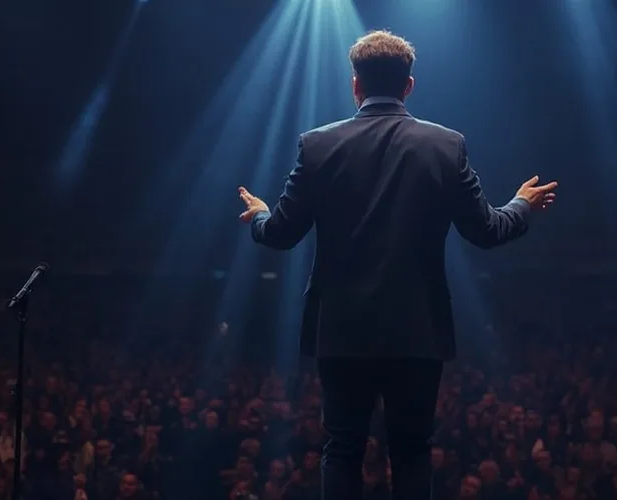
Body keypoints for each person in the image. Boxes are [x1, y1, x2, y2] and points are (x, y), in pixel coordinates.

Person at [238, 29, 558, 500]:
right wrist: (521, 205)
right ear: (408, 86)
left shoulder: (317, 145)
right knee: (411, 450)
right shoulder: (446, 146)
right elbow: (487, 231)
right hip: (417, 331)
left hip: (343, 330)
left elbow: (281, 234)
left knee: (343, 447)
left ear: (355, 85)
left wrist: (260, 214)